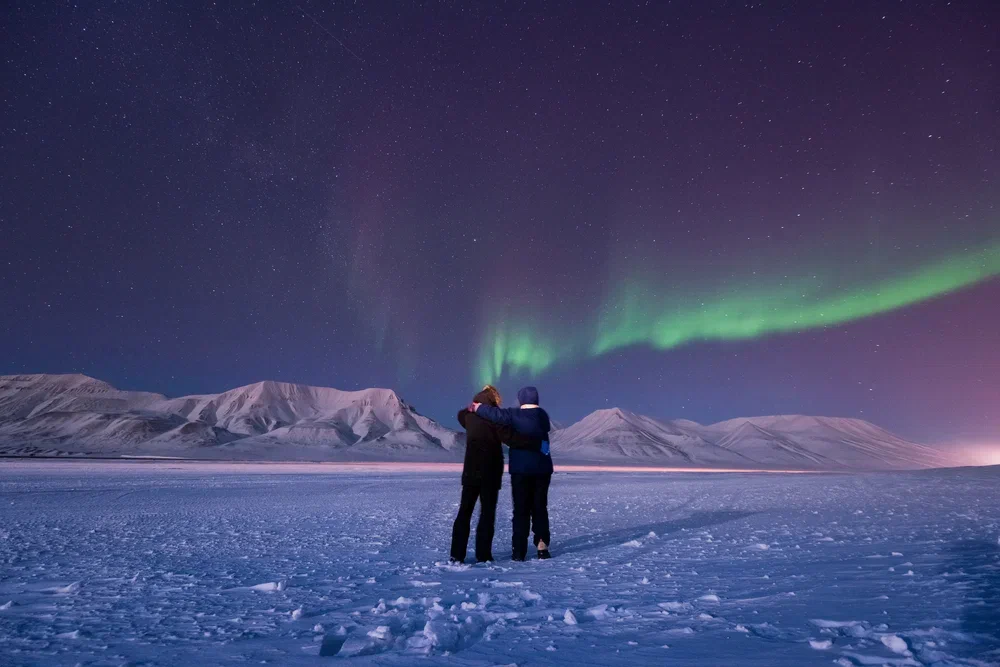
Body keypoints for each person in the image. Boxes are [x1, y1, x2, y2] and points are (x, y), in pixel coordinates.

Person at [451, 385, 543, 564]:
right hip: (490, 473)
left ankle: (456, 555)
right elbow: (511, 438)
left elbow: (460, 415)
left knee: (465, 511)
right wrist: (534, 442)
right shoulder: (494, 419)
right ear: (493, 401)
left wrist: (471, 407)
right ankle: (483, 555)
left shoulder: (468, 416)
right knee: (487, 514)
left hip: (470, 471)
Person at [471, 386, 553, 561]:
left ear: (521, 399)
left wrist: (477, 407)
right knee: (540, 507)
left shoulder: (515, 415)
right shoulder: (543, 416)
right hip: (543, 469)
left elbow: (496, 415)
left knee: (521, 509)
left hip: (521, 470)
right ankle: (542, 546)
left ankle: (519, 551)